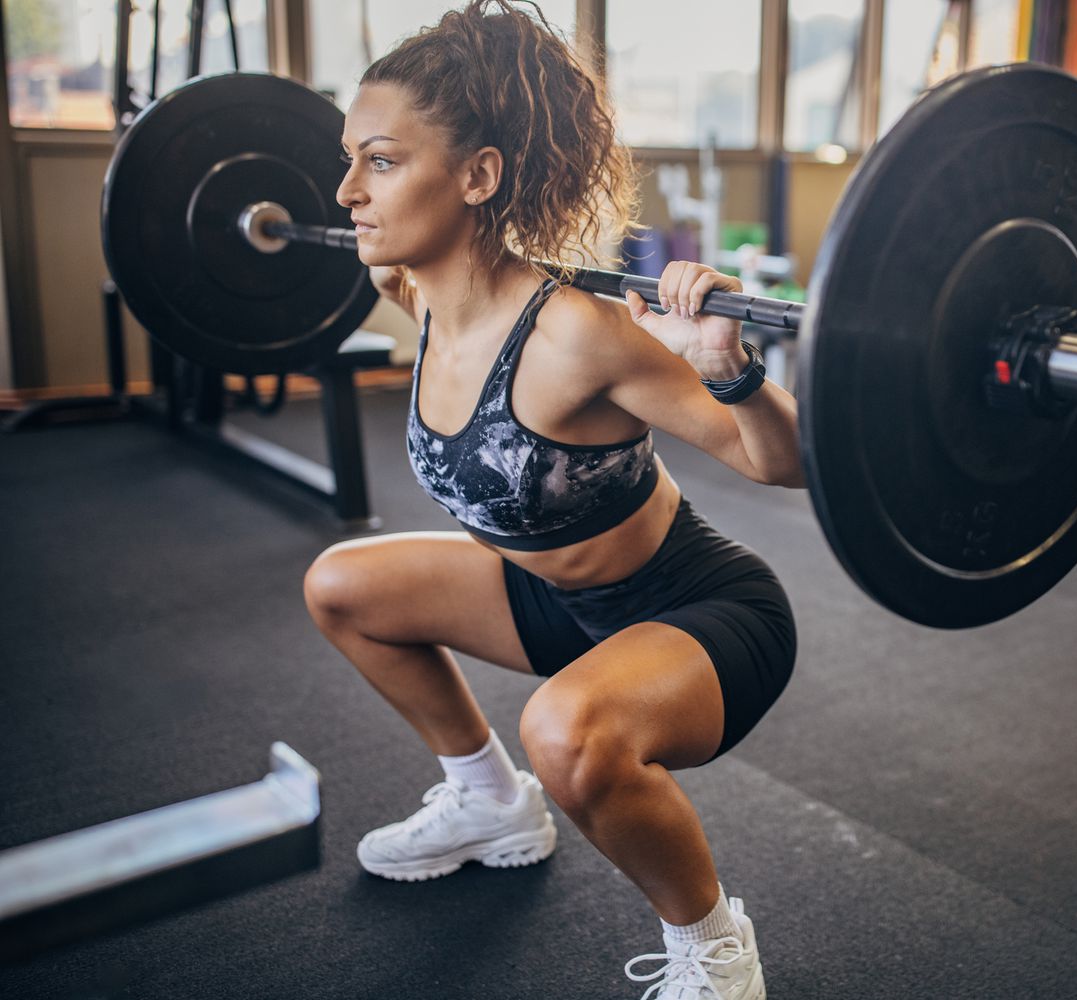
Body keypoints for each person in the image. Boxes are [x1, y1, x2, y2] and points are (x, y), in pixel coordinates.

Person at [300, 2, 801, 997]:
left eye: (383, 162)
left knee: (568, 733)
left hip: (696, 613)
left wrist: (729, 368)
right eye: (350, 158)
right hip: (552, 605)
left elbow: (778, 463)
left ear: (479, 176)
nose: (349, 189)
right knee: (341, 585)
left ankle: (716, 946)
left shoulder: (577, 336)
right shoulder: (418, 295)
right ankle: (488, 802)